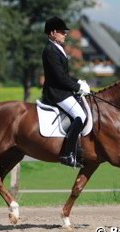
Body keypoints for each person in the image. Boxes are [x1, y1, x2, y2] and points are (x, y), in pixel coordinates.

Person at [42, 16, 91, 168]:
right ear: (52, 33)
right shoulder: (50, 50)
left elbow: (65, 75)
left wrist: (78, 82)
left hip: (62, 90)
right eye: (62, 32)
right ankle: (68, 154)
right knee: (80, 116)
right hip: (56, 93)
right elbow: (59, 77)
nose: (65, 34)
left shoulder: (58, 49)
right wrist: (77, 87)